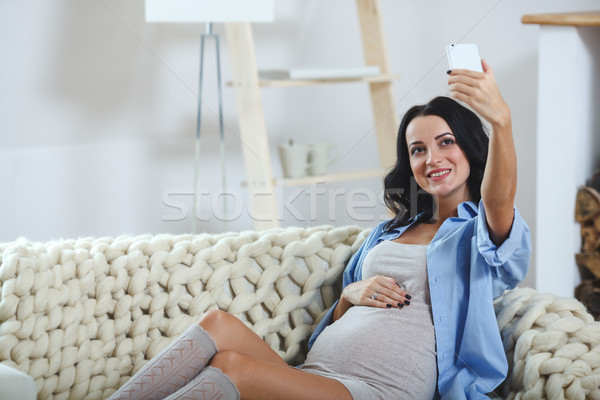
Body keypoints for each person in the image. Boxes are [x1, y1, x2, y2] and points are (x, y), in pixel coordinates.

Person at [108, 59, 530, 400]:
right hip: (318, 373)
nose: (430, 157)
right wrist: (350, 296)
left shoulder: (479, 233)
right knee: (219, 323)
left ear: (472, 149)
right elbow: (330, 329)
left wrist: (502, 122)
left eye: (446, 142)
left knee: (230, 368)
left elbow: (498, 200)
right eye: (417, 149)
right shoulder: (387, 232)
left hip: (382, 387)